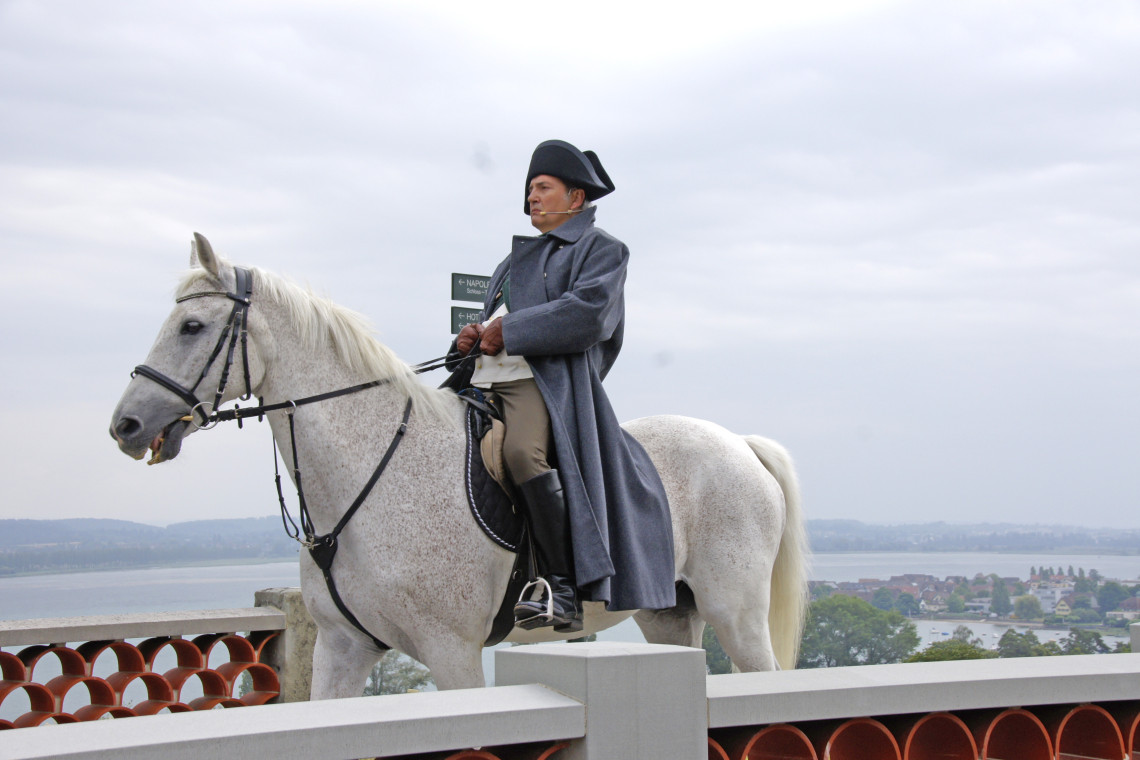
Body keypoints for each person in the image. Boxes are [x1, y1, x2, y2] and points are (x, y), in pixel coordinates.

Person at [452, 139, 676, 631]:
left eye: (542, 187)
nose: (531, 197)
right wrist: (470, 337)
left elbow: (588, 313)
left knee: (521, 455)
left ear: (575, 199)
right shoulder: (510, 264)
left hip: (542, 381)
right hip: (486, 379)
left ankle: (562, 587)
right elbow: (494, 322)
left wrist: (508, 331)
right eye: (529, 189)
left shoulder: (604, 251)